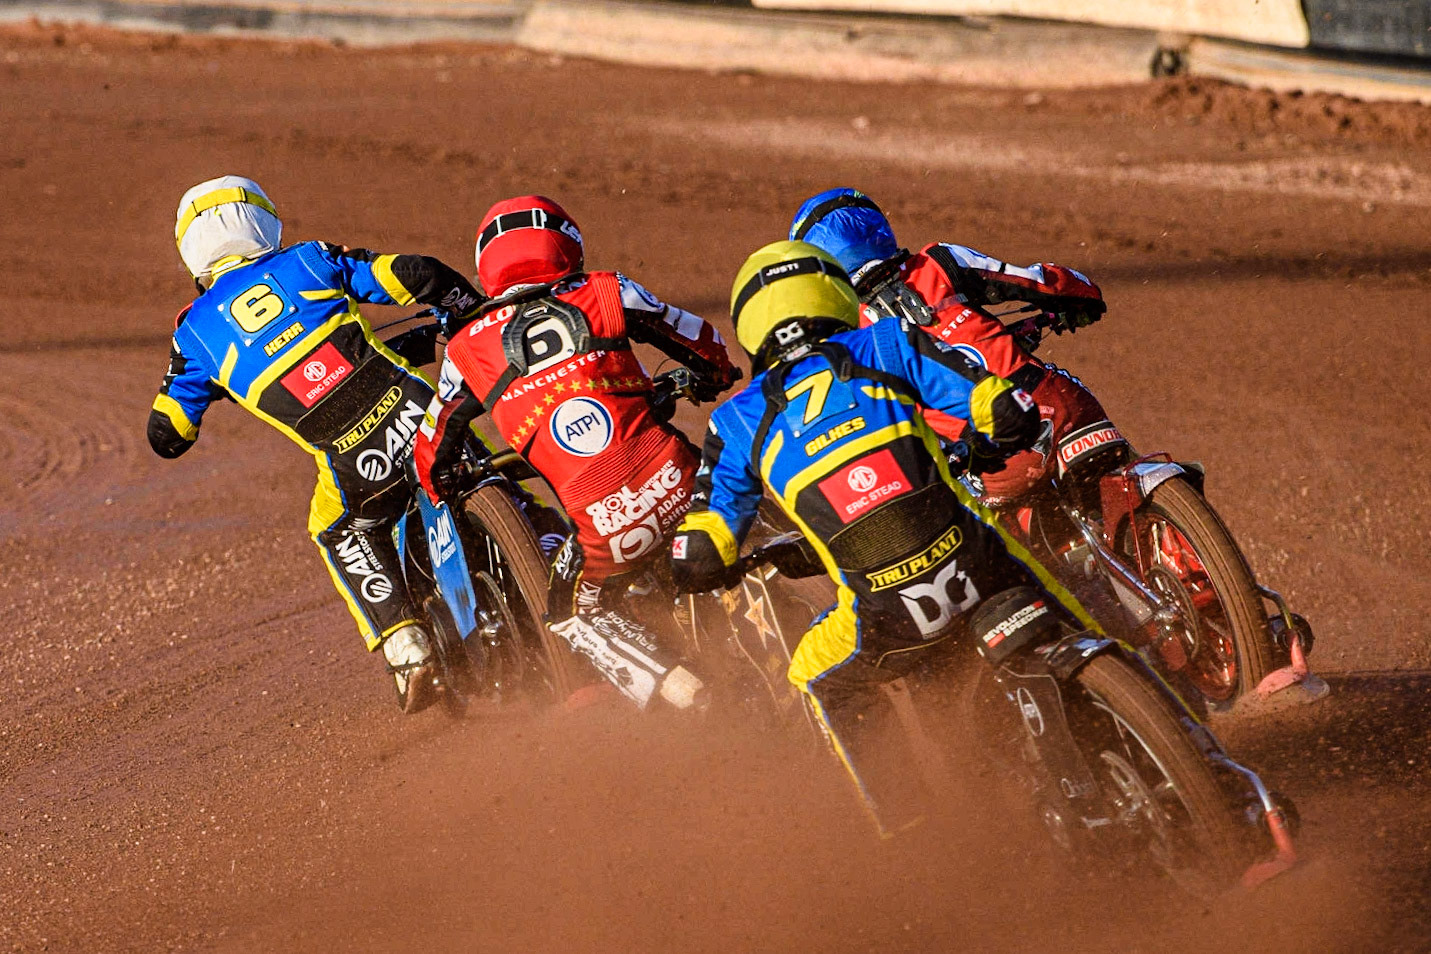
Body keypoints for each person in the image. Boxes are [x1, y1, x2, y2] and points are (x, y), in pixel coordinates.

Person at [669, 240, 1104, 834]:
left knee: (814, 676)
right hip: (981, 568)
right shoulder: (886, 341)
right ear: (834, 293)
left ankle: (909, 828)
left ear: (753, 326)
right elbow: (987, 397)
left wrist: (701, 560)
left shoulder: (738, 420)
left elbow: (708, 538)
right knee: (1082, 618)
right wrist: (1006, 417)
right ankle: (1210, 758)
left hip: (886, 621)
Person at [148, 175, 487, 714]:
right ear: (265, 221)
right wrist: (472, 312)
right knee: (489, 459)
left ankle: (404, 645)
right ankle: (564, 545)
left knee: (335, 529)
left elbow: (167, 436)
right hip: (423, 414)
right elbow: (415, 274)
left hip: (355, 467)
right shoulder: (309, 260)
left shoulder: (193, 336)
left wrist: (209, 386)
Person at [413, 195, 739, 710]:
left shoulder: (465, 350)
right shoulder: (608, 289)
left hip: (606, 535)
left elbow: (430, 448)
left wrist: (444, 484)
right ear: (567, 245)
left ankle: (689, 694)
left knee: (570, 615)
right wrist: (711, 375)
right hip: (682, 483)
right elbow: (706, 342)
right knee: (750, 498)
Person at [788, 188, 1127, 505]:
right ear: (877, 228)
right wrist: (1085, 299)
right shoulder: (938, 262)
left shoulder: (848, 336)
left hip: (992, 454)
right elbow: (1036, 282)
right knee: (1122, 471)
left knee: (996, 544)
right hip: (1057, 401)